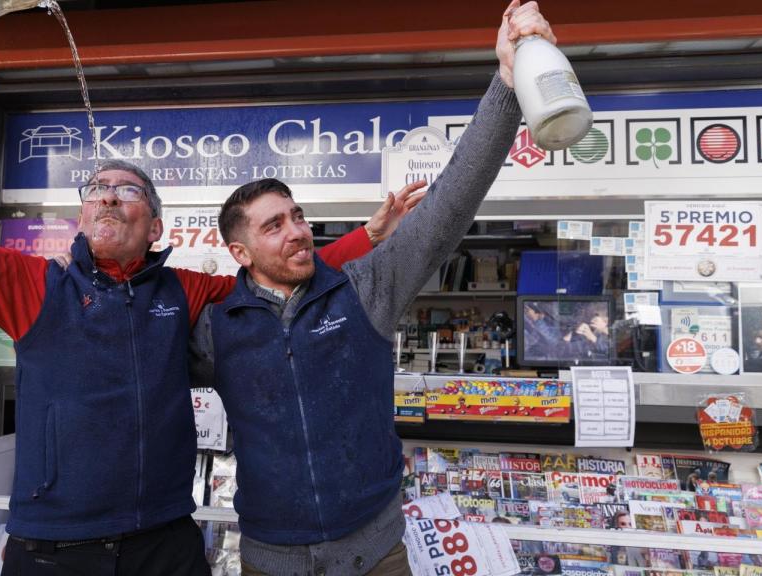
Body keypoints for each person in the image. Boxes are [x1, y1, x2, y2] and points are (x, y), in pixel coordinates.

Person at [0, 23, 422, 576]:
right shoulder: (33, 285)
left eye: (127, 189)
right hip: (53, 550)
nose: (108, 194)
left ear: (155, 226)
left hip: (166, 544)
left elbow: (275, 281)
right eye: (96, 189)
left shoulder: (185, 290)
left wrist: (365, 238)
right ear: (81, 216)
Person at [190, 2, 554, 573]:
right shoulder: (216, 326)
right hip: (269, 558)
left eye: (298, 215)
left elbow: (449, 204)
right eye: (274, 225)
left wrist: (507, 85)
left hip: (376, 553)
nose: (298, 231)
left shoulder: (364, 287)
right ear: (240, 253)